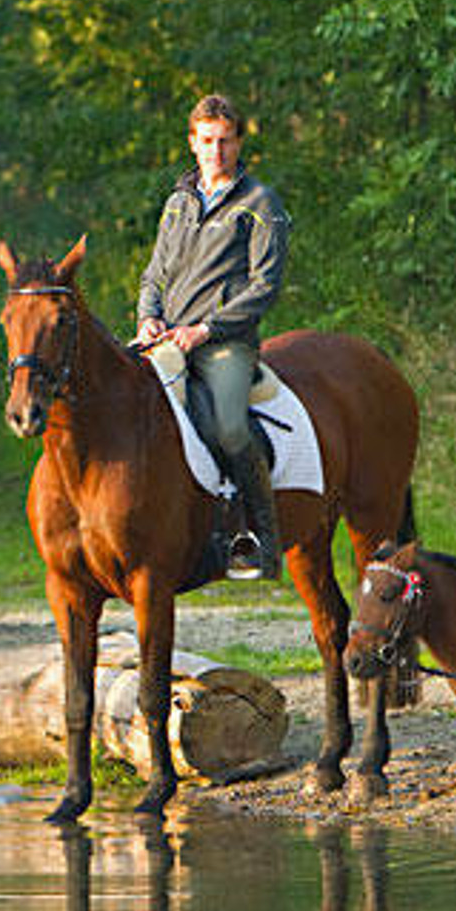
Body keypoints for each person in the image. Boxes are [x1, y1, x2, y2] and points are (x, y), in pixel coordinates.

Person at [136, 93, 291, 579]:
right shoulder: (177, 202)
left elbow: (264, 286)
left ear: (238, 142)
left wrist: (205, 329)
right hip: (167, 339)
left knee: (228, 426)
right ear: (192, 143)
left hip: (224, 343)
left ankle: (262, 538)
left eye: (225, 141)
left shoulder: (260, 203)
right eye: (207, 141)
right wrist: (148, 317)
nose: (216, 151)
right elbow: (153, 276)